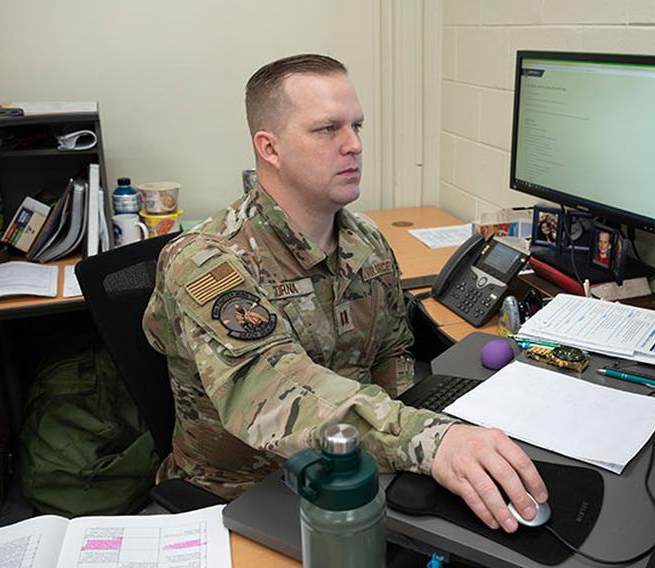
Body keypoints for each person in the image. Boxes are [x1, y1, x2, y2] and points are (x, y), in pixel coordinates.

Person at [143, 54, 547, 533]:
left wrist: (422, 431)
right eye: (327, 129)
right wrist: (428, 441)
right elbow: (276, 394)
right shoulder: (209, 262)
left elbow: (393, 352)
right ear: (269, 148)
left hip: (363, 471)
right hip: (247, 497)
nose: (354, 145)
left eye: (357, 126)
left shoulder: (366, 241)